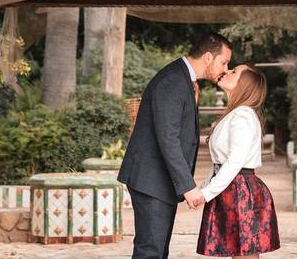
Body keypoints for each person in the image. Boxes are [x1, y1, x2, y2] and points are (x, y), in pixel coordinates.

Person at [118, 33, 233, 259]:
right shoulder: (173, 80)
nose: (226, 68)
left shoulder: (184, 79)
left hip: (158, 182)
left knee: (158, 252)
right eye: (224, 62)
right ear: (208, 57)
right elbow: (167, 138)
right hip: (151, 181)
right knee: (150, 252)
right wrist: (187, 186)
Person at [196, 65, 280, 259]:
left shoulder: (243, 115)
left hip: (240, 190)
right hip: (232, 188)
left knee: (244, 253)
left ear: (245, 84)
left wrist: (206, 193)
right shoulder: (236, 113)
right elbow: (220, 163)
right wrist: (203, 189)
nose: (227, 71)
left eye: (234, 71)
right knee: (239, 252)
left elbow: (234, 162)